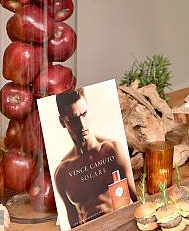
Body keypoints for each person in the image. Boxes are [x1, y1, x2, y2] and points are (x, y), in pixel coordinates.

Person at [54, 88, 137, 227]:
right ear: (62, 122)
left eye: (84, 114)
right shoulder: (62, 173)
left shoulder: (112, 150)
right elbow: (73, 223)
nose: (82, 125)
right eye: (74, 119)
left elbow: (136, 199)